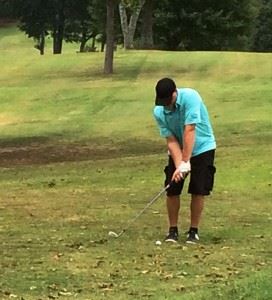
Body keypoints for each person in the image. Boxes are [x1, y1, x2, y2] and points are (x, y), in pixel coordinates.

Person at [153, 78, 216, 244]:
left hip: (203, 147)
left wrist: (186, 162)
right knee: (172, 188)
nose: (166, 104)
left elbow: (190, 129)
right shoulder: (159, 111)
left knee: (198, 188)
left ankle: (193, 231)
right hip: (179, 150)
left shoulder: (191, 97)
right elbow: (171, 140)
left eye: (168, 100)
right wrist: (179, 163)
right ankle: (172, 230)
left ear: (175, 93)